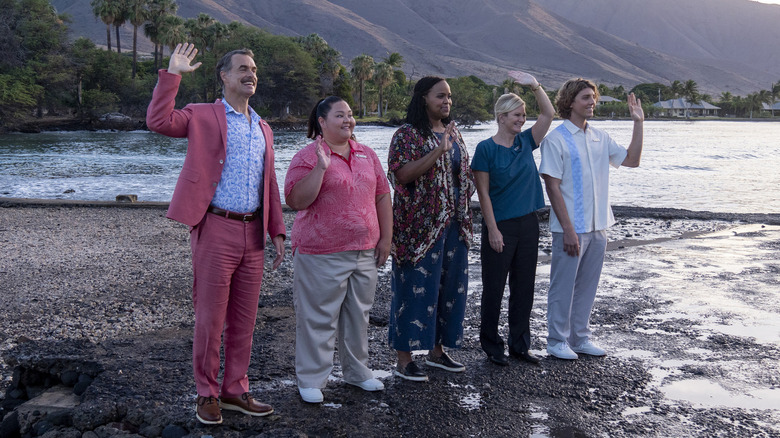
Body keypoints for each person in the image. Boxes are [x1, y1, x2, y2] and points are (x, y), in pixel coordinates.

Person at [146, 43, 286, 424]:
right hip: (215, 227)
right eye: (242, 68)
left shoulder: (263, 127)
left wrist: (277, 230)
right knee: (210, 319)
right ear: (223, 76)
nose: (250, 73)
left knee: (244, 319)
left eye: (254, 69)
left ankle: (235, 390)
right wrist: (172, 74)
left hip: (253, 231)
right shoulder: (202, 115)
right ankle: (206, 392)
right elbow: (159, 121)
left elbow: (267, 180)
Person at [284, 96, 392, 403]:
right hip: (321, 252)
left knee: (358, 315)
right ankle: (311, 379)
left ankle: (357, 372)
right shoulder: (307, 155)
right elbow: (295, 201)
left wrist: (386, 239)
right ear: (322, 121)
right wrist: (321, 167)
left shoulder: (366, 154)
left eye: (351, 115)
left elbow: (383, 196)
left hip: (364, 251)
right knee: (317, 317)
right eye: (340, 115)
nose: (348, 120)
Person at [538, 78, 644, 360]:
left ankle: (580, 338)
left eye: (593, 97)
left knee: (587, 285)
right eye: (585, 97)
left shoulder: (601, 137)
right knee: (563, 286)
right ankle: (556, 341)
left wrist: (638, 123)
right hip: (569, 229)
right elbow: (552, 186)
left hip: (599, 227)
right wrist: (569, 229)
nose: (592, 102)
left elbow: (632, 160)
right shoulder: (556, 139)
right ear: (570, 102)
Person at [387, 76, 476, 381]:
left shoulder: (454, 133)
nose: (446, 102)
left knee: (449, 289)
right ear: (423, 97)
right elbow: (402, 175)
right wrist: (438, 151)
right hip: (418, 229)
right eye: (440, 96)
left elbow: (461, 175)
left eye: (449, 96)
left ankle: (437, 353)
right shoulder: (407, 135)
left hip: (455, 224)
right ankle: (404, 358)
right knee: (413, 289)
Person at [470, 71, 554, 366]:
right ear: (501, 117)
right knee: (494, 288)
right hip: (500, 226)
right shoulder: (486, 149)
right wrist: (492, 230)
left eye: (523, 115)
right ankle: (492, 346)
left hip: (529, 224)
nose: (522, 120)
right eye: (516, 115)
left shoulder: (526, 143)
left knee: (524, 288)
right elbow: (483, 195)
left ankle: (520, 345)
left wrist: (534, 85)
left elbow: (549, 112)